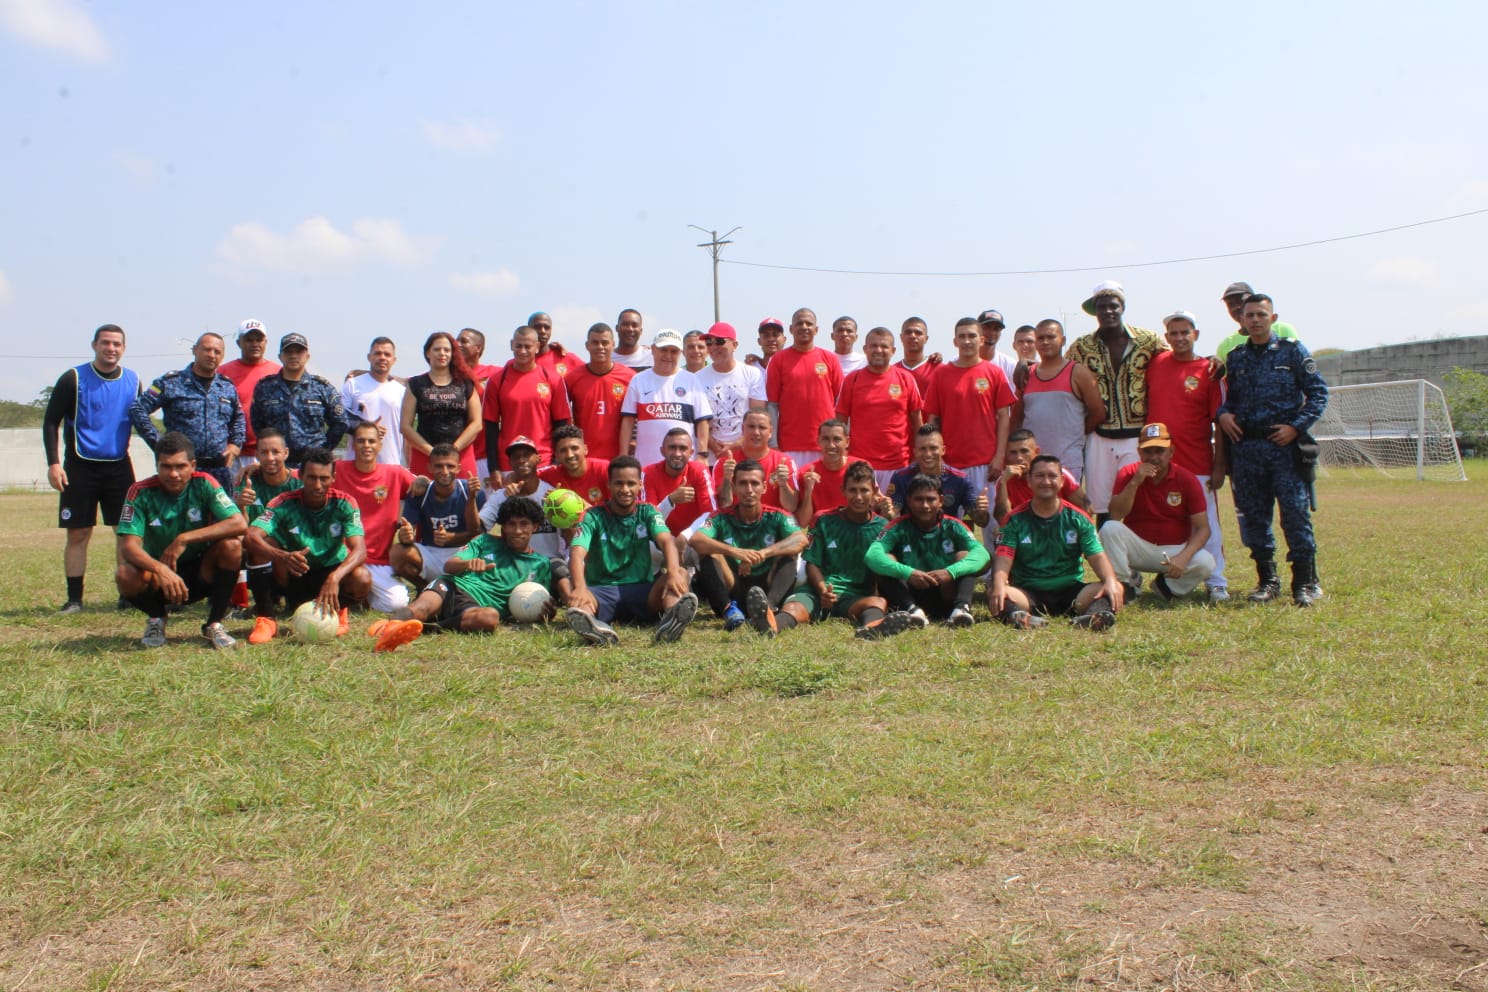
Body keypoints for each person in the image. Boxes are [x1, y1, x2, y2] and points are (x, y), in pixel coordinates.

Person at [1216, 294, 1328, 606]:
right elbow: (1232, 399)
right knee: (1255, 519)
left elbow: (1318, 393)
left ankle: (1304, 582)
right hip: (1247, 450)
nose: (1254, 320)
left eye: (1260, 315)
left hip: (1284, 449)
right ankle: (1267, 580)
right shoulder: (1236, 358)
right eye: (1249, 315)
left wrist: (1296, 426)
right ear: (1242, 321)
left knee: (1295, 515)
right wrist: (1223, 414)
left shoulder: (1292, 351)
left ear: (1273, 318)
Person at [372, 496, 563, 651]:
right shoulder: (485, 541)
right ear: (503, 527)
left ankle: (426, 627)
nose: (517, 530)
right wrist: (468, 563)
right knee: (420, 608)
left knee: (490, 618)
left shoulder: (541, 564)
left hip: (476, 607)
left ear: (535, 527)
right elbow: (449, 565)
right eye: (511, 524)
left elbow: (537, 600)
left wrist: (546, 611)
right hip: (452, 586)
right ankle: (389, 628)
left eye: (524, 524)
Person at [115, 431, 247, 649]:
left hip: (200, 571)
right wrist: (161, 570)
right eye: (166, 466)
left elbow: (238, 524)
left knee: (232, 546)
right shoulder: (140, 491)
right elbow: (128, 547)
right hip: (161, 577)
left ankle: (214, 624)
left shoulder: (205, 483)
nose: (174, 474)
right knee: (125, 574)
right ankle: (157, 618)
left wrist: (183, 539)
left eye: (180, 466)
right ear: (157, 465)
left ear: (193, 465)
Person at [43, 323, 140, 613]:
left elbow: (141, 422)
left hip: (119, 467)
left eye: (117, 344)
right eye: (106, 343)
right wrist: (54, 464)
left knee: (125, 532)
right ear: (94, 345)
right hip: (80, 466)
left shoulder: (134, 381)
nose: (111, 349)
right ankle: (74, 599)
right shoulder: (73, 378)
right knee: (78, 534)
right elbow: (51, 421)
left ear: (123, 348)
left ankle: (127, 595)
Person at [563, 456, 698, 645]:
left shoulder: (648, 512)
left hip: (643, 591)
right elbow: (577, 552)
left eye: (631, 483)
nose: (625, 490)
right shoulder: (593, 515)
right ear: (609, 484)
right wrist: (579, 588)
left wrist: (674, 572)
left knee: (681, 573)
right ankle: (594, 628)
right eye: (619, 483)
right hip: (600, 593)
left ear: (640, 485)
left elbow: (667, 541)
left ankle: (671, 621)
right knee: (581, 603)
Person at [1065, 281, 1168, 520]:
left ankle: (1138, 555)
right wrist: (1026, 364)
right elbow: (1060, 371)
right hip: (1099, 437)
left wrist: (1210, 361)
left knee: (1138, 500)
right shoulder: (1081, 347)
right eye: (1102, 307)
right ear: (1095, 311)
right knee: (1101, 505)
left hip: (1137, 436)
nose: (1108, 311)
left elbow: (1176, 362)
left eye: (1113, 306)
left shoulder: (1148, 340)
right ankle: (1107, 555)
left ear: (1123, 307)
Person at [1146, 310, 1229, 601]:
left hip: (1197, 460)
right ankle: (1157, 576)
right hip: (1157, 461)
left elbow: (1219, 422)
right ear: (1166, 337)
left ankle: (1217, 581)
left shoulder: (1209, 370)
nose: (1180, 338)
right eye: (1174, 333)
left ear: (1196, 335)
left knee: (1206, 523)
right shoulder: (1155, 363)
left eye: (1185, 332)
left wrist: (1219, 465)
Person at [245, 447, 371, 637]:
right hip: (295, 572)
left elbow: (360, 550)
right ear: (301, 475)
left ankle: (339, 610)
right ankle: (267, 620)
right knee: (264, 544)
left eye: (324, 478)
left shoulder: (345, 503)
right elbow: (250, 536)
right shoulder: (283, 502)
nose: (318, 485)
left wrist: (335, 577)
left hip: (330, 573)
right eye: (312, 477)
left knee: (362, 577)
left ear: (333, 477)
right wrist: (284, 556)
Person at [989, 454, 1125, 630]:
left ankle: (1092, 617)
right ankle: (1020, 617)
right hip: (1028, 592)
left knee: (1114, 587)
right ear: (1029, 481)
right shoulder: (1014, 519)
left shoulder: (1078, 518)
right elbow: (1003, 559)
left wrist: (1110, 581)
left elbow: (1097, 556)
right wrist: (999, 585)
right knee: (998, 592)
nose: (1046, 481)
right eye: (1039, 476)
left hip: (1072, 591)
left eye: (1052, 476)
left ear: (1061, 481)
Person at [689, 458, 807, 636]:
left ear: (764, 487)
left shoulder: (778, 516)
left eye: (754, 483)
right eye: (743, 484)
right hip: (733, 586)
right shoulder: (721, 517)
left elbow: (801, 540)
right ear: (734, 487)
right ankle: (728, 610)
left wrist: (763, 553)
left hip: (768, 584)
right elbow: (696, 540)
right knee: (708, 553)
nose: (749, 490)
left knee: (789, 555)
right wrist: (735, 552)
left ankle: (767, 609)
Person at [1099, 423, 1215, 601]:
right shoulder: (1128, 473)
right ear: (1139, 452)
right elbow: (1115, 515)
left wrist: (1184, 557)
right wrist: (1135, 482)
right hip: (1139, 548)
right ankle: (1123, 585)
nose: (1153, 457)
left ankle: (1166, 587)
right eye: (1148, 451)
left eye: (1160, 451)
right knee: (1109, 528)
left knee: (1206, 562)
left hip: (1173, 552)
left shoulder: (1186, 479)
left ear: (1171, 452)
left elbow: (1203, 529)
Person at [779, 461, 895, 639]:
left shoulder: (882, 526)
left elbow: (888, 565)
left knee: (878, 603)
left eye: (864, 490)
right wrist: (822, 590)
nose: (858, 496)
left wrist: (892, 521)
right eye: (852, 490)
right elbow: (812, 563)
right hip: (818, 593)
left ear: (873, 492)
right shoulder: (824, 520)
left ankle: (871, 630)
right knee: (793, 607)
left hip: (855, 596)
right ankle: (772, 626)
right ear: (843, 490)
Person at [866, 473, 989, 628]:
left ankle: (960, 610)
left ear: (941, 501)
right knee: (886, 559)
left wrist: (949, 572)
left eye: (930, 499)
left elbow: (982, 555)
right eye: (919, 499)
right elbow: (872, 556)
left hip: (945, 594)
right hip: (909, 595)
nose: (925, 505)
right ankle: (912, 611)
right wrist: (908, 573)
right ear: (909, 501)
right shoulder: (897, 527)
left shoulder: (954, 525)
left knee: (965, 556)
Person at [130, 332, 245, 491]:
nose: (212, 355)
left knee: (222, 516)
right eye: (207, 349)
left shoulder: (227, 387)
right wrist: (159, 443)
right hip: (181, 471)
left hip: (218, 472)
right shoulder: (171, 382)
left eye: (217, 352)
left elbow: (238, 418)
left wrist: (235, 444)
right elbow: (138, 409)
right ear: (195, 350)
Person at [335, 421, 422, 612]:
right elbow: (298, 476)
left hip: (378, 560)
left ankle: (362, 597)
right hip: (343, 557)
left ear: (380, 445)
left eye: (371, 441)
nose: (366, 445)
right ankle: (353, 594)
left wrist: (411, 523)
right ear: (353, 445)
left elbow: (427, 489)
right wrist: (258, 469)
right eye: (361, 441)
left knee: (397, 603)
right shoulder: (337, 470)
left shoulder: (395, 473)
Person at [923, 317, 1015, 496]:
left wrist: (999, 457)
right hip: (949, 463)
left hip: (986, 463)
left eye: (972, 336)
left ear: (981, 340)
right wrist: (936, 458)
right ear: (955, 341)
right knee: (952, 522)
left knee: (989, 521)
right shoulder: (941, 373)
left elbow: (1004, 417)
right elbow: (933, 419)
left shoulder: (994, 372)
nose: (966, 341)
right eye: (962, 336)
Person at [1013, 318, 1106, 482]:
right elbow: (1017, 418)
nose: (1045, 342)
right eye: (1040, 338)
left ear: (1062, 340)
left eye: (1051, 337)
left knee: (1067, 507)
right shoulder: (1026, 374)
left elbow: (1098, 413)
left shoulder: (1078, 373)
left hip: (1068, 462)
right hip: (1032, 464)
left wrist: (1074, 433)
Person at [233, 428, 302, 643]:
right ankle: (265, 612)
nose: (270, 458)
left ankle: (291, 596)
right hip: (265, 555)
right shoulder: (248, 481)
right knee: (246, 542)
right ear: (257, 455)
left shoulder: (300, 482)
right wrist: (241, 507)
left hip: (298, 559)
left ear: (286, 453)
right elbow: (243, 531)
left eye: (275, 452)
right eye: (264, 453)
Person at [836, 326, 924, 491]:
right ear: (865, 349)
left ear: (893, 350)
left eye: (884, 346)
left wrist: (918, 457)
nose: (878, 350)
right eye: (874, 346)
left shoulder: (906, 379)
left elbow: (917, 422)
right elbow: (840, 424)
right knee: (864, 515)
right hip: (861, 466)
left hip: (899, 467)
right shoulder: (852, 380)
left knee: (895, 514)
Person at [250, 333, 357, 467]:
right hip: (277, 464)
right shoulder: (265, 387)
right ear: (280, 356)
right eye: (288, 351)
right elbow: (258, 424)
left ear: (307, 356)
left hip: (312, 465)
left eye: (299, 351)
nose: (293, 356)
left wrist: (322, 451)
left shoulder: (322, 388)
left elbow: (341, 422)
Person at [483, 324, 572, 472]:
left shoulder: (553, 379)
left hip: (544, 461)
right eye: (518, 346)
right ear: (512, 345)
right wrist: (494, 468)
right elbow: (491, 428)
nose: (522, 351)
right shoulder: (497, 380)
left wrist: (557, 462)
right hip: (509, 462)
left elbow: (561, 424)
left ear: (537, 347)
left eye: (527, 346)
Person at [390, 443, 481, 586]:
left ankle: (459, 587)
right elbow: (407, 534)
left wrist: (472, 498)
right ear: (430, 468)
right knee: (396, 552)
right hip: (431, 554)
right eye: (439, 466)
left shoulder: (471, 490)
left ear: (458, 468)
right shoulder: (419, 492)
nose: (445, 471)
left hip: (462, 555)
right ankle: (423, 587)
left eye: (450, 466)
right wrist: (405, 536)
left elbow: (477, 531)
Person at [766, 308, 844, 467]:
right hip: (790, 445)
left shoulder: (830, 359)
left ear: (816, 330)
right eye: (799, 323)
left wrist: (841, 440)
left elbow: (841, 403)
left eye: (809, 323)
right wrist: (773, 443)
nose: (804, 327)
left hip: (825, 444)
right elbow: (772, 405)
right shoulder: (778, 360)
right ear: (791, 329)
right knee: (792, 491)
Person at [620, 328, 713, 462]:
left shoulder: (691, 380)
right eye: (663, 350)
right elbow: (628, 421)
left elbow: (702, 420)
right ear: (653, 349)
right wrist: (623, 455)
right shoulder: (638, 380)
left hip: (684, 463)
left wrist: (702, 454)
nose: (668, 356)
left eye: (673, 351)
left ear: (680, 353)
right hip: (647, 462)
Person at [401, 331, 481, 478]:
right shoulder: (415, 384)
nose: (442, 353)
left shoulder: (465, 383)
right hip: (425, 456)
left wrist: (453, 450)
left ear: (453, 354)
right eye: (437, 349)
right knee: (424, 499)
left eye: (447, 350)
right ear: (427, 353)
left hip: (460, 455)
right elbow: (405, 426)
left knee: (465, 497)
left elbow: (477, 423)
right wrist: (432, 452)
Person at [478, 436, 564, 559]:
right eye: (516, 457)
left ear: (538, 459)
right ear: (510, 462)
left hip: (549, 561)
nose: (521, 460)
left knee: (563, 576)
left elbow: (570, 536)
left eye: (527, 455)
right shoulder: (501, 496)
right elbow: (479, 528)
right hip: (513, 564)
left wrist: (560, 510)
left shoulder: (551, 494)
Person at [563, 322, 636, 463]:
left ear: (613, 344)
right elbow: (563, 417)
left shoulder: (629, 377)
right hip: (583, 458)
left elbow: (637, 416)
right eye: (595, 343)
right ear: (587, 345)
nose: (600, 347)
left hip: (618, 458)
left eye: (605, 343)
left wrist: (631, 443)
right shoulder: (573, 378)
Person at [696, 321, 767, 461]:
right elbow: (697, 419)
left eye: (720, 341)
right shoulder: (697, 378)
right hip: (712, 456)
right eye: (709, 342)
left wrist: (737, 443)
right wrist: (715, 447)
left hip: (746, 454)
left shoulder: (752, 374)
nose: (714, 347)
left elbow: (758, 414)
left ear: (734, 345)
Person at [886, 424, 982, 526]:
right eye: (922, 449)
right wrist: (888, 512)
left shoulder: (960, 479)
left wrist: (981, 509)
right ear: (915, 452)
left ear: (943, 450)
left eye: (933, 448)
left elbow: (981, 521)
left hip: (948, 538)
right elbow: (893, 513)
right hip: (911, 538)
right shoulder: (901, 477)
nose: (928, 454)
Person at [218, 319, 280, 470]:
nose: (255, 344)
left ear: (266, 342)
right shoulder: (222, 372)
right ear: (239, 343)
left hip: (268, 454)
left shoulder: (279, 372)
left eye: (259, 340)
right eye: (249, 340)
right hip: (231, 453)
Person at [994, 428, 1090, 523]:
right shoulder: (1005, 480)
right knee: (999, 533)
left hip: (1059, 529)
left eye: (1024, 451)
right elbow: (1003, 520)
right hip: (1025, 533)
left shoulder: (1057, 473)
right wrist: (1003, 483)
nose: (1019, 458)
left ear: (1037, 451)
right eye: (1013, 453)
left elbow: (1086, 507)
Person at [713, 408, 799, 513]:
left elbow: (791, 507)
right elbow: (723, 505)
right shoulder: (724, 463)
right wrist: (727, 478)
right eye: (751, 427)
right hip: (735, 525)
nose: (756, 432)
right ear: (742, 429)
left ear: (771, 432)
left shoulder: (785, 462)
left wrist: (783, 484)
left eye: (762, 427)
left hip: (773, 524)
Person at [341, 337, 406, 466]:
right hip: (355, 463)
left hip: (390, 463)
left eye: (387, 354)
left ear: (394, 360)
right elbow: (338, 418)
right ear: (369, 357)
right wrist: (365, 427)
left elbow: (407, 431)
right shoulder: (352, 384)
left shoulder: (402, 391)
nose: (382, 357)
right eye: (377, 353)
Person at [643, 427, 716, 541]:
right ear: (662, 451)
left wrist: (686, 536)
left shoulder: (699, 471)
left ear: (691, 452)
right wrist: (670, 501)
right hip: (660, 541)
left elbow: (712, 514)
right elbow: (646, 520)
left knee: (710, 535)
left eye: (683, 448)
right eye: (672, 448)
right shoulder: (648, 473)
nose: (677, 454)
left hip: (692, 540)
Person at [457, 327, 505, 481]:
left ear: (478, 348)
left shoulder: (495, 373)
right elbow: (416, 381)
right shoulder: (447, 375)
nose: (457, 344)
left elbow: (525, 367)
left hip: (486, 456)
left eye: (463, 341)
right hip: (458, 455)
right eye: (457, 341)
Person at [1214, 281, 1299, 363]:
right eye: (1230, 304)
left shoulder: (1283, 330)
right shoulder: (1225, 346)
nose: (1237, 307)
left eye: (1241, 301)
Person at [796, 418, 861, 526]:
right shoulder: (806, 473)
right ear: (818, 441)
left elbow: (873, 506)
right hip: (822, 534)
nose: (831, 445)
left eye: (837, 439)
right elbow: (803, 522)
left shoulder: (860, 468)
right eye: (826, 439)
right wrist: (808, 491)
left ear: (847, 442)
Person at [538, 424, 611, 506]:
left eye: (574, 448)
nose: (570, 455)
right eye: (563, 450)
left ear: (585, 449)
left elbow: (620, 511)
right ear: (556, 455)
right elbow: (528, 476)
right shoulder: (550, 474)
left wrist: (577, 503)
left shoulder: (605, 469)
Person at [894, 316, 941, 399]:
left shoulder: (938, 369)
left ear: (926, 339)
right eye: (908, 332)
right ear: (901, 337)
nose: (913, 336)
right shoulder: (893, 371)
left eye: (918, 333)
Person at [977, 309, 1021, 383]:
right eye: (986, 327)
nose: (991, 333)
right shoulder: (961, 362)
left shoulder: (1010, 364)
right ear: (977, 330)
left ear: (1000, 333)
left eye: (996, 329)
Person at [527, 311, 572, 378]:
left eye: (547, 327)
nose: (543, 331)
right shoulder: (518, 363)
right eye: (537, 327)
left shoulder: (566, 358)